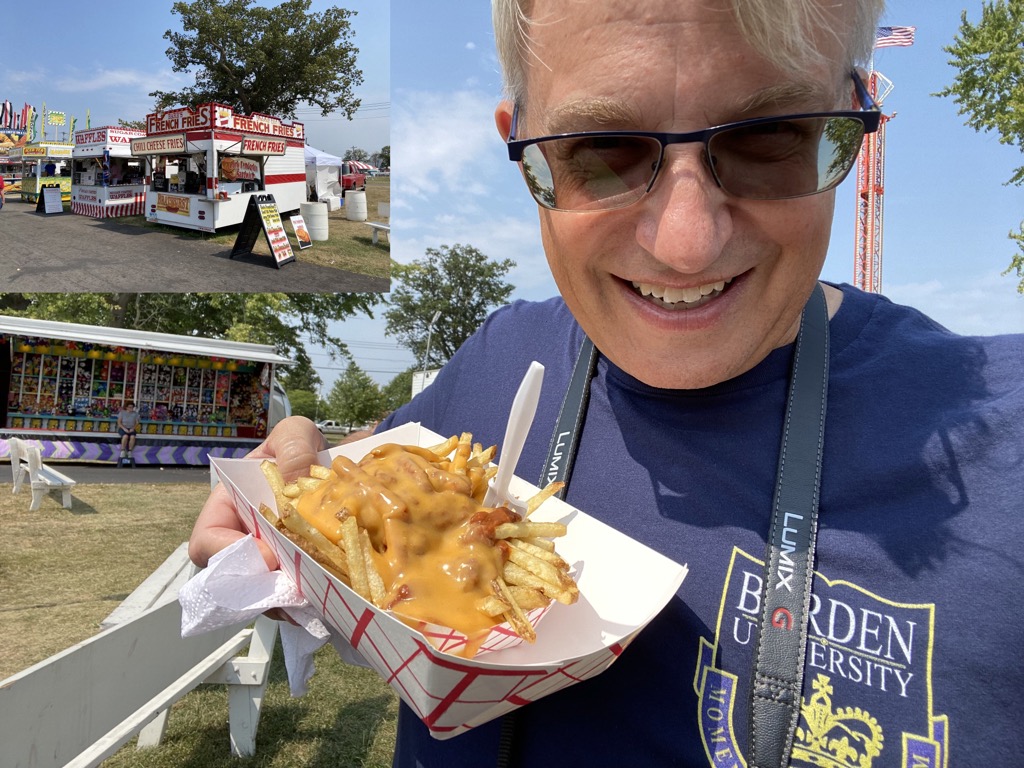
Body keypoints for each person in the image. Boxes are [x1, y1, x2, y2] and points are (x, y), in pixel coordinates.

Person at [190, 0, 1024, 765]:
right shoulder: (500, 354)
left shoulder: (1006, 444)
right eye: (601, 152)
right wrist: (289, 479)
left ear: (855, 116)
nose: (686, 244)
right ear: (522, 144)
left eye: (772, 136)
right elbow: (354, 485)